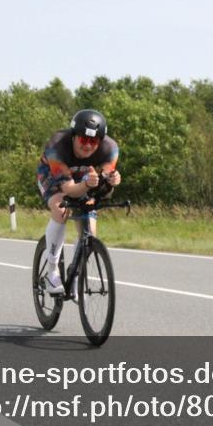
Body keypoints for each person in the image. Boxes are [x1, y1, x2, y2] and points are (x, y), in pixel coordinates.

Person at [36, 109, 121, 295]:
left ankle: (75, 273)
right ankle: (52, 273)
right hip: (52, 175)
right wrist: (86, 185)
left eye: (93, 141)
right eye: (84, 140)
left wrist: (113, 181)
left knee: (90, 229)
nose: (88, 146)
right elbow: (68, 190)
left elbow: (105, 186)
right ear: (74, 137)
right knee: (61, 209)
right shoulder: (57, 146)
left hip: (84, 179)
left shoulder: (110, 149)